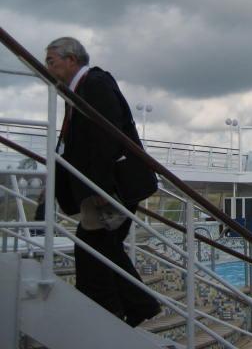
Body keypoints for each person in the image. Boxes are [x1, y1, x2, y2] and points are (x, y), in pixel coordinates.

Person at [45, 37, 160, 327]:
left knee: (94, 245)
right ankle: (121, 308)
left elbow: (107, 136)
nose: (47, 67)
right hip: (107, 186)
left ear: (71, 60)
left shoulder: (95, 84)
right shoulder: (78, 90)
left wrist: (102, 188)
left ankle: (125, 307)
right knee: (99, 246)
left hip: (114, 187)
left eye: (51, 61)